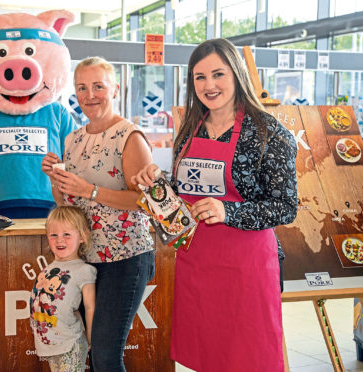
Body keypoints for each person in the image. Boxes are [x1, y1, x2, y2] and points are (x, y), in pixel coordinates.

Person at [133, 38, 297, 372]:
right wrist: (156, 183)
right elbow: (184, 192)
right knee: (206, 358)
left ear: (237, 75)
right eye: (200, 77)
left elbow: (285, 206)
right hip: (198, 262)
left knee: (248, 359)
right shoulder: (190, 129)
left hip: (247, 268)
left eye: (218, 74)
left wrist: (229, 211)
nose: (209, 85)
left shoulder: (268, 132)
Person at [41, 56, 155, 372]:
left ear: (115, 89)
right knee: (89, 350)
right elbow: (66, 204)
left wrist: (90, 189)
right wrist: (57, 179)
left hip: (126, 258)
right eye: (82, 88)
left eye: (98, 86)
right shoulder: (73, 140)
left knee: (105, 354)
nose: (90, 95)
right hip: (86, 259)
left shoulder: (130, 136)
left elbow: (145, 201)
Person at [30, 206, 96, 372]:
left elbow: (90, 306)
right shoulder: (49, 268)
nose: (60, 240)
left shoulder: (83, 270)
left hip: (70, 344)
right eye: (54, 235)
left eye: (67, 234)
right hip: (51, 343)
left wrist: (91, 338)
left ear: (81, 237)